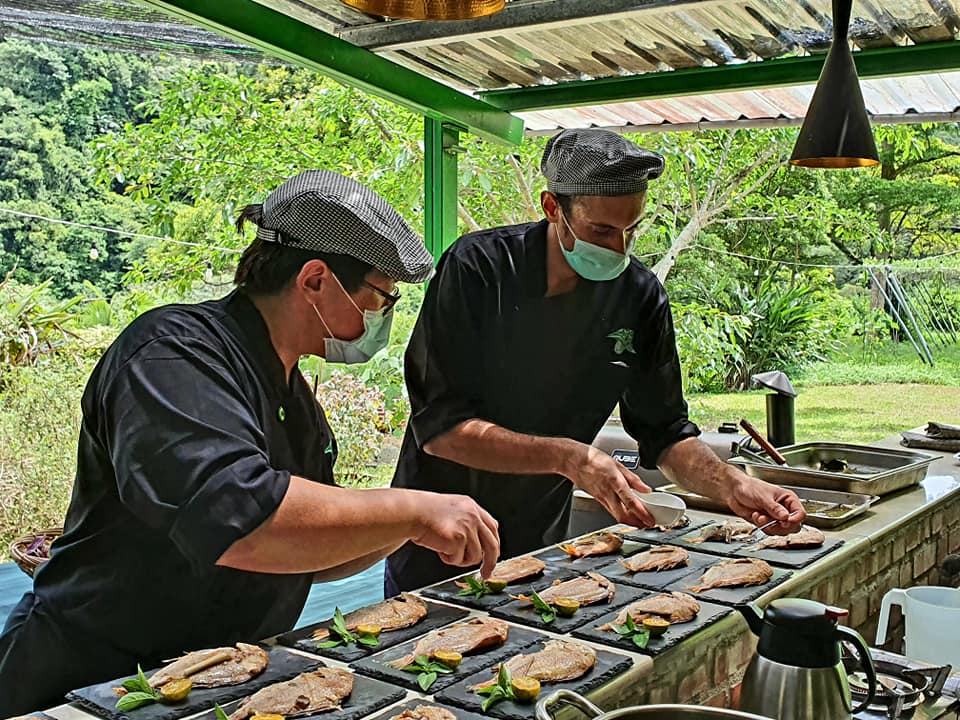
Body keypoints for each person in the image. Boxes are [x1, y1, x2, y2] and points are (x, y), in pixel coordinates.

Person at [0, 170, 500, 715]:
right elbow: (241, 520)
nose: (384, 314)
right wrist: (411, 507)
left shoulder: (291, 392)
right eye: (381, 295)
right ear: (314, 280)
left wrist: (406, 531)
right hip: (97, 677)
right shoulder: (172, 355)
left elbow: (303, 551)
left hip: (217, 675)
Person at [385, 129, 804, 595]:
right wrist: (571, 457)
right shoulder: (479, 270)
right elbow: (442, 431)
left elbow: (664, 433)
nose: (618, 249)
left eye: (631, 230)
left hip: (537, 543)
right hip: (439, 540)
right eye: (601, 230)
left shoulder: (639, 298)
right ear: (552, 208)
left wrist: (732, 486)